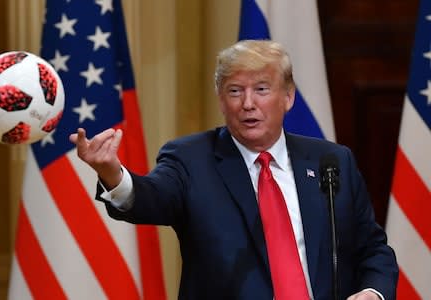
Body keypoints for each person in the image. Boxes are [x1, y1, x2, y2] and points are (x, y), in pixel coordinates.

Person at [70, 40, 398, 300]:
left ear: (288, 97)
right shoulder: (191, 159)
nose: (248, 103)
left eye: (261, 89)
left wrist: (373, 292)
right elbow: (150, 198)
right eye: (235, 91)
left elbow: (372, 248)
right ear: (221, 100)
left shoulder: (332, 161)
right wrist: (113, 174)